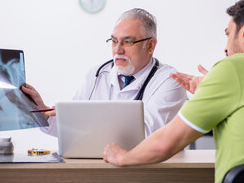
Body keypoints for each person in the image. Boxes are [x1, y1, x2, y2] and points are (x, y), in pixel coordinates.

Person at [103, 0, 244, 183]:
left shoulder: (233, 68)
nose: (226, 47)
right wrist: (211, 89)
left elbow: (166, 143)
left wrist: (123, 157)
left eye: (228, 34)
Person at [22, 8, 187, 137]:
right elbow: (71, 127)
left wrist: (86, 118)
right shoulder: (97, 74)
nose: (118, 49)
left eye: (127, 42)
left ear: (151, 46)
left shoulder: (170, 80)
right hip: (100, 169)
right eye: (114, 41)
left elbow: (148, 134)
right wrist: (42, 112)